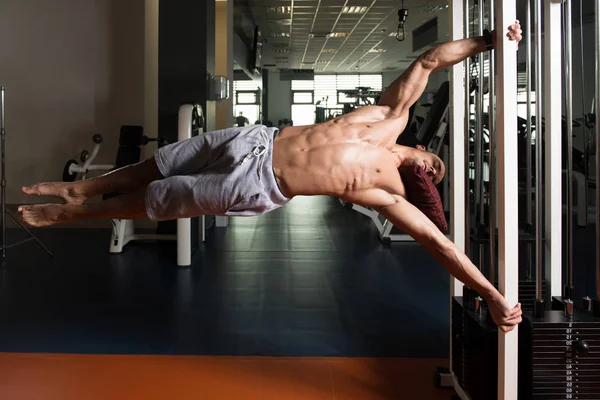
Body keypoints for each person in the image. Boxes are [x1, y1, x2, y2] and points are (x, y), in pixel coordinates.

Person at [19, 22, 523, 332]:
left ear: (422, 183)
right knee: (164, 162)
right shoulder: (388, 116)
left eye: (435, 174)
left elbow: (442, 246)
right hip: (255, 138)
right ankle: (79, 186)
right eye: (435, 159)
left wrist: (494, 296)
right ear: (420, 145)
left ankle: (72, 212)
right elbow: (430, 60)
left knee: (161, 200)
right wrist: (488, 41)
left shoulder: (388, 191)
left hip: (260, 184)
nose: (432, 166)